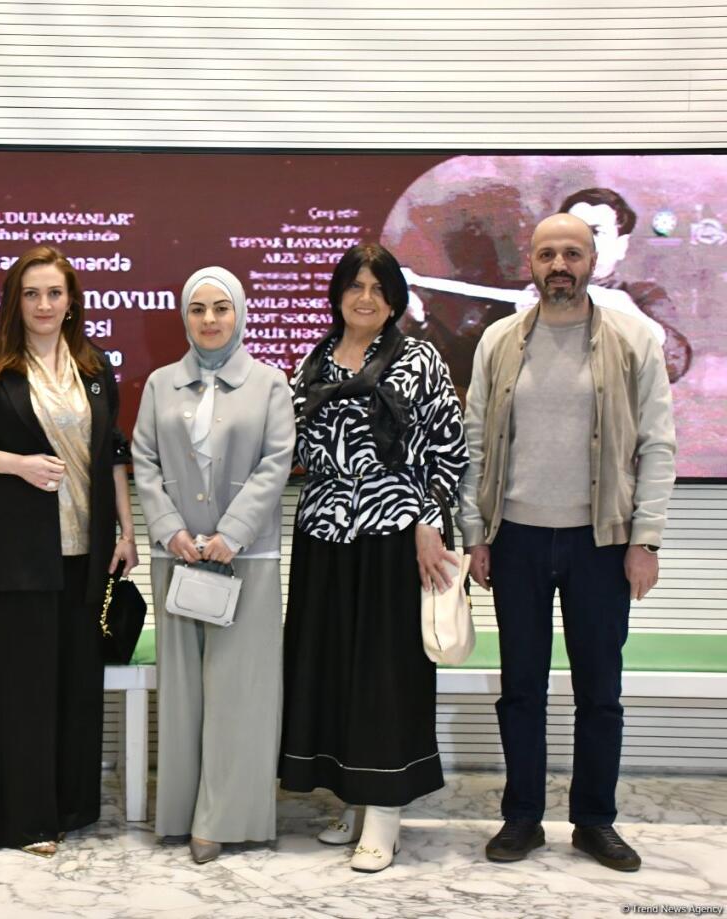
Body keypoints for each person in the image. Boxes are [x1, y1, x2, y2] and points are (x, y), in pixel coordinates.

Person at [460, 213, 676, 872]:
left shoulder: (633, 338)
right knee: (521, 688)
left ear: (593, 261)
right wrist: (475, 534)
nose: (560, 265)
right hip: (517, 540)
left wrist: (646, 539)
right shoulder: (499, 341)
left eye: (573, 253)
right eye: (548, 253)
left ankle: (594, 821)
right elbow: (475, 442)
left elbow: (658, 443)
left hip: (601, 543)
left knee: (599, 692)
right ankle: (522, 817)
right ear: (530, 261)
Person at [278, 242, 467, 873]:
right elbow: (293, 450)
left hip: (394, 534)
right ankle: (352, 800)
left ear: (394, 300)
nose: (365, 298)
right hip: (323, 534)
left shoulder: (420, 359)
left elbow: (448, 451)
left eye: (378, 288)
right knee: (332, 670)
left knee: (385, 675)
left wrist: (429, 522)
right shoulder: (314, 362)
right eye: (355, 286)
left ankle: (384, 813)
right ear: (338, 294)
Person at [0, 245, 137, 857]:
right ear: (15, 301)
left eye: (54, 293)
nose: (44, 305)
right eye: (31, 294)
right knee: (24, 690)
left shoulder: (94, 365)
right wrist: (17, 464)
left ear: (71, 300)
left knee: (77, 687)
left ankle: (71, 809)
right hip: (21, 553)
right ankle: (25, 821)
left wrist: (127, 531)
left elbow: (112, 451)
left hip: (88, 551)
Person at [130, 267, 294, 864]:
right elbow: (144, 460)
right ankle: (180, 813)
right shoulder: (160, 384)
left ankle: (225, 819)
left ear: (239, 313)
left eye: (221, 308)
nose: (209, 319)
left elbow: (277, 463)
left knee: (240, 689)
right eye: (197, 309)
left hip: (245, 558)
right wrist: (169, 528)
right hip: (176, 556)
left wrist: (232, 533)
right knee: (182, 689)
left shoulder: (270, 384)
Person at [558, 187, 692, 382]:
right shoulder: (526, 295)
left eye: (596, 232)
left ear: (621, 245)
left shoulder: (642, 297)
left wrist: (625, 311)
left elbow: (675, 362)